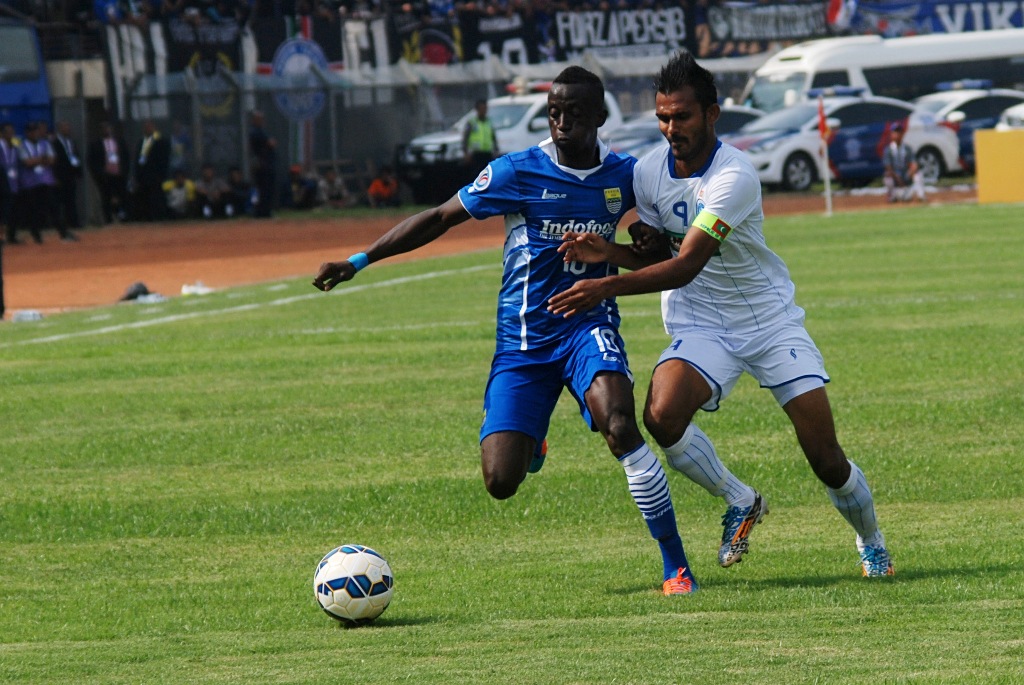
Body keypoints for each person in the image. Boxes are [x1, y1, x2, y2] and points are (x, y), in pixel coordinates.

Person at [313, 66, 699, 595]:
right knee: (500, 482)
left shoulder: (626, 176)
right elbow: (439, 217)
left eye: (575, 113)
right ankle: (531, 439)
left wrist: (642, 247)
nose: (562, 121)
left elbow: (649, 254)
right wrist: (359, 260)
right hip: (523, 343)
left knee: (619, 424)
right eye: (554, 111)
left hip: (588, 325)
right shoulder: (517, 171)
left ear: (599, 117)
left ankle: (675, 565)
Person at [548, 51, 895, 578]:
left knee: (825, 456)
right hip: (702, 323)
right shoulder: (646, 174)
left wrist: (604, 286)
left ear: (711, 114)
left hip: (769, 322)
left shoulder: (734, 176)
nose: (670, 128)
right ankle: (740, 499)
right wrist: (611, 252)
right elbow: (661, 252)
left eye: (682, 116)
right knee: (661, 416)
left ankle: (870, 540)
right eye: (663, 117)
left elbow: (686, 263)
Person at [88, 122, 130, 224]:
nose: (106, 130)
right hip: (105, 176)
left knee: (122, 197)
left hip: (119, 174)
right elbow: (91, 160)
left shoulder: (119, 142)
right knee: (106, 198)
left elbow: (126, 157)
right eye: (104, 128)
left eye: (108, 128)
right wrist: (98, 174)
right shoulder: (96, 144)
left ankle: (122, 217)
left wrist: (124, 171)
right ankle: (108, 219)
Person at [132, 119, 171, 221]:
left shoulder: (160, 140)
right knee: (144, 198)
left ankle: (159, 217)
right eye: (145, 127)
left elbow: (163, 159)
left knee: (157, 197)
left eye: (149, 126)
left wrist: (161, 174)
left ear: (153, 127)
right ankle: (146, 218)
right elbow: (139, 159)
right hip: (143, 176)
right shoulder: (142, 141)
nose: (146, 129)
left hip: (156, 175)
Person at [51, 121, 84, 235]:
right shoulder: (55, 143)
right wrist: (55, 177)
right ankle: (62, 223)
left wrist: (78, 172)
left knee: (71, 200)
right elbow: (55, 162)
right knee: (61, 201)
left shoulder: (71, 142)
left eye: (68, 127)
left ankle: (73, 222)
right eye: (65, 127)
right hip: (61, 176)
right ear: (60, 129)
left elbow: (75, 156)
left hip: (71, 175)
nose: (67, 130)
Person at [882, 123, 925, 203]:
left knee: (918, 174)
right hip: (896, 180)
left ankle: (920, 196)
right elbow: (888, 166)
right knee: (887, 176)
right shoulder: (888, 150)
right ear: (891, 134)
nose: (897, 134)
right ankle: (892, 197)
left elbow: (914, 163)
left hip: (906, 177)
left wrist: (910, 173)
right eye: (895, 132)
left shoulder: (907, 148)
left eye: (899, 132)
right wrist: (897, 178)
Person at [248, 110, 276, 218]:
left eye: (262, 119)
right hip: (262, 165)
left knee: (268, 189)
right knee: (263, 189)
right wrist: (270, 143)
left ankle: (266, 212)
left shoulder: (261, 131)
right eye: (259, 119)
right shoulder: (255, 131)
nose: (261, 121)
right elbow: (270, 143)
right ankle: (261, 212)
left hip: (267, 164)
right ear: (254, 120)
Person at [462, 98, 499, 175]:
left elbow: (493, 137)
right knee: (476, 175)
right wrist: (465, 153)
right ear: (477, 109)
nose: (484, 110)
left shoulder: (489, 122)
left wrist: (496, 150)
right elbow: (465, 138)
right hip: (476, 154)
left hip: (488, 153)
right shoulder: (472, 122)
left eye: (485, 108)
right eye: (482, 108)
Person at [1, 122, 22, 244]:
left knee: (14, 211)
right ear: (2, 134)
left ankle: (12, 236)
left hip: (14, 182)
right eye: (8, 132)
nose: (11, 134)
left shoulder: (16, 144)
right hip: (3, 183)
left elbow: (24, 153)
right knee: (4, 213)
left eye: (12, 132)